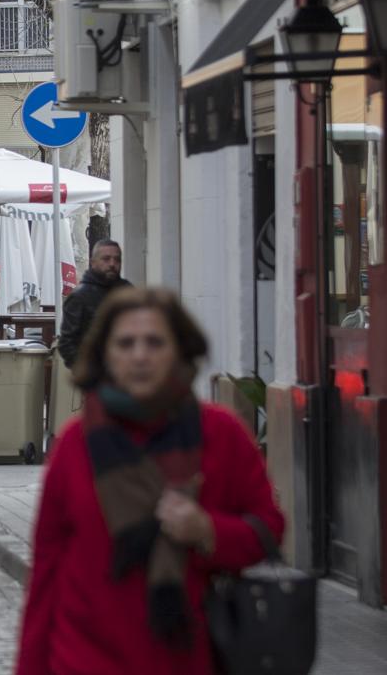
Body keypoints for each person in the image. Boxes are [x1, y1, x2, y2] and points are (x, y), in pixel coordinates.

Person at [16, 288, 285, 675]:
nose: (140, 355)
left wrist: (208, 530)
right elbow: (45, 575)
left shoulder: (222, 435)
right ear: (106, 355)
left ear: (178, 351)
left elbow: (269, 529)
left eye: (155, 342)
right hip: (83, 659)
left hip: (188, 659)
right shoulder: (76, 445)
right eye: (126, 343)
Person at [57, 239, 131, 368]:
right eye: (106, 259)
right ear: (93, 262)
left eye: (117, 259)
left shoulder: (128, 292)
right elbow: (67, 343)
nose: (112, 264)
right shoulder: (80, 297)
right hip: (96, 375)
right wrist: (87, 371)